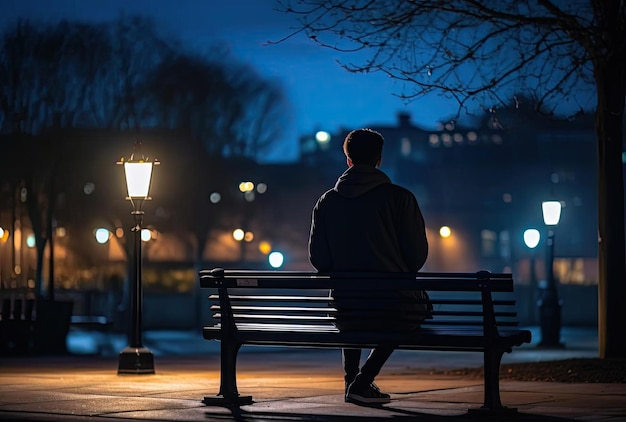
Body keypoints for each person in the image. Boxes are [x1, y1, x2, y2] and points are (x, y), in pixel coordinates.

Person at [308, 128, 429, 406]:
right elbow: (416, 257)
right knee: (410, 312)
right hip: (392, 305)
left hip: (346, 305)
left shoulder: (326, 202)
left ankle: (352, 380)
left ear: (348, 160)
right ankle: (362, 381)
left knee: (352, 313)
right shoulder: (400, 198)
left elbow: (319, 259)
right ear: (379, 159)